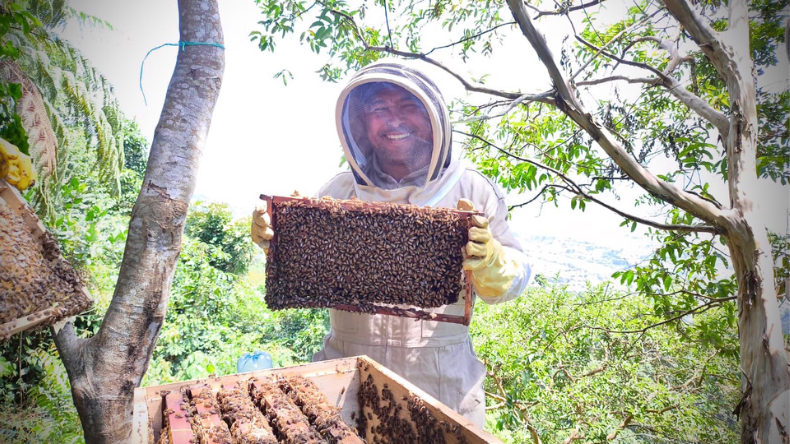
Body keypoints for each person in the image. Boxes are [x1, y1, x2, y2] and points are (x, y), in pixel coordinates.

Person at [251, 60, 531, 427]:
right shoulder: (339, 191)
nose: (393, 119)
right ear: (362, 126)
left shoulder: (472, 190)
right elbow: (308, 267)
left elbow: (516, 279)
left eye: (408, 107)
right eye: (380, 109)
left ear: (433, 119)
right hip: (342, 375)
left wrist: (493, 261)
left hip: (441, 383)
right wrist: (278, 238)